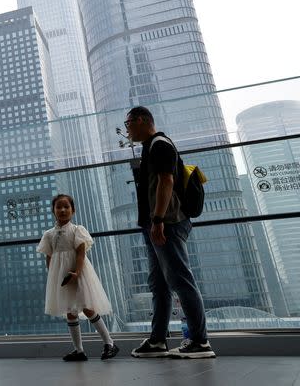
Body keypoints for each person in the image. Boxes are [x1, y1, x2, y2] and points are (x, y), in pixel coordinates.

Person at [125, 106, 215, 359]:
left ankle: (200, 341)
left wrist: (158, 219)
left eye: (129, 122)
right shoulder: (150, 147)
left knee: (180, 280)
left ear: (142, 120)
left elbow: (167, 181)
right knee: (160, 284)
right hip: (156, 224)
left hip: (167, 223)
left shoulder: (160, 144)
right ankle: (157, 341)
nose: (128, 128)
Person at [37, 194, 119, 361]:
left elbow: (81, 254)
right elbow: (49, 257)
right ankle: (79, 350)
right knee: (70, 311)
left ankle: (109, 343)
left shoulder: (77, 230)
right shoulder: (49, 234)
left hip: (78, 273)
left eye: (66, 207)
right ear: (53, 210)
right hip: (62, 276)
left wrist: (77, 272)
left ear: (73, 210)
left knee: (87, 307)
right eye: (58, 207)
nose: (62, 210)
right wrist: (53, 276)